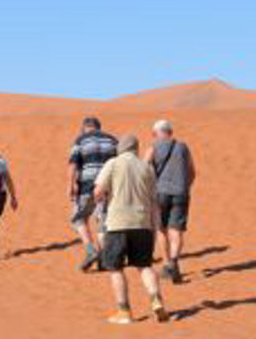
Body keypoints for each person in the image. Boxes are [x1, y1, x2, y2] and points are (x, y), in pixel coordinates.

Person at [93, 134, 168, 324]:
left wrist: (100, 200)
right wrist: (157, 225)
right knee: (144, 266)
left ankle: (124, 311)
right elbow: (153, 200)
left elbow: (98, 191)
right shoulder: (146, 168)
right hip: (142, 224)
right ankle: (156, 299)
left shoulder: (113, 163)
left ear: (121, 148)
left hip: (118, 223)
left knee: (116, 268)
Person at [144, 120, 197, 283]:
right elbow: (192, 171)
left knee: (161, 229)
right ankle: (174, 261)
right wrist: (185, 186)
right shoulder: (183, 147)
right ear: (170, 132)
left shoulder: (153, 148)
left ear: (156, 133)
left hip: (160, 193)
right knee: (177, 230)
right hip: (181, 193)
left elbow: (143, 169)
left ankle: (167, 263)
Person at [68, 116, 118, 270]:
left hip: (86, 186)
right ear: (99, 127)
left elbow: (73, 165)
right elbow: (119, 164)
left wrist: (70, 185)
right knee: (102, 220)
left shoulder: (80, 140)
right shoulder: (112, 140)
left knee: (78, 218)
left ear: (84, 127)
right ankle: (103, 259)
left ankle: (90, 250)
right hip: (107, 186)